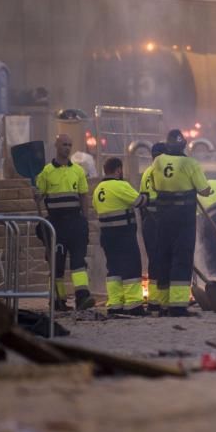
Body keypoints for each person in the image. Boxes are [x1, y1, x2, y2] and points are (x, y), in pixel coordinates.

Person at [151, 129, 212, 317]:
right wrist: (204, 189)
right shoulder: (190, 163)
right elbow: (204, 190)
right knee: (181, 258)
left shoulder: (158, 161)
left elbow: (154, 186)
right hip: (183, 217)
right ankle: (177, 306)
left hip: (162, 216)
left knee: (164, 257)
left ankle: (163, 305)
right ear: (183, 145)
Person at [35, 134, 95, 311]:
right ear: (56, 145)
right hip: (56, 224)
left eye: (69, 145)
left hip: (75, 223)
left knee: (78, 261)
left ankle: (82, 298)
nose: (67, 148)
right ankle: (57, 301)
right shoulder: (46, 172)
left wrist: (84, 220)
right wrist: (37, 195)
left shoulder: (77, 171)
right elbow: (40, 194)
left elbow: (83, 196)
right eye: (64, 144)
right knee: (57, 264)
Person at [93, 157, 147, 316]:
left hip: (107, 236)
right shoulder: (120, 185)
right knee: (131, 267)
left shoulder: (98, 189)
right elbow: (139, 201)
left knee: (114, 270)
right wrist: (147, 197)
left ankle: (115, 304)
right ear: (118, 170)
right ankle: (133, 305)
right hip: (123, 234)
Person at [139, 142, 167, 313]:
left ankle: (154, 301)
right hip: (162, 222)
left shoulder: (146, 173)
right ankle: (163, 300)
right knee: (164, 261)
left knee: (154, 261)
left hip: (149, 223)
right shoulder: (164, 173)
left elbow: (143, 201)